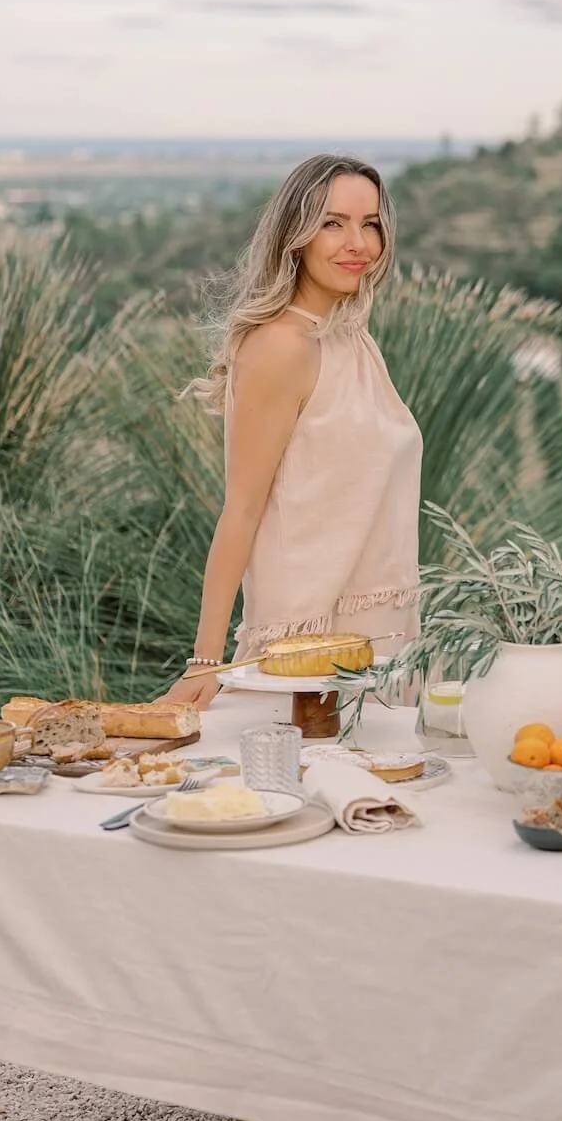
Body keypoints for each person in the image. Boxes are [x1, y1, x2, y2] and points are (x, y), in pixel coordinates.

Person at [162, 153, 423, 711]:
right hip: (306, 654)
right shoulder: (282, 346)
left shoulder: (351, 339)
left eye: (370, 223)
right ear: (294, 236)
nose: (358, 242)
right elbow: (241, 510)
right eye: (332, 223)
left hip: (375, 641)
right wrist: (206, 663)